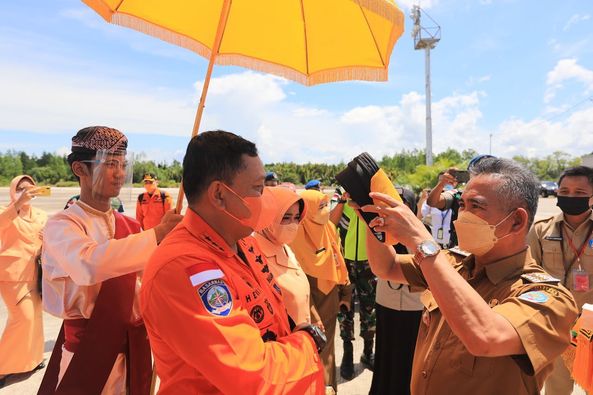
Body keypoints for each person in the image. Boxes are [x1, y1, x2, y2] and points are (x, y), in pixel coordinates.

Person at [362, 157, 578, 394]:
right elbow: (387, 267)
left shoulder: (549, 298)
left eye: (476, 206)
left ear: (517, 221)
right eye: (462, 205)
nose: (461, 216)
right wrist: (373, 220)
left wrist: (421, 241)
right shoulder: (454, 264)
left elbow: (486, 337)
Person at [140, 130, 325, 394]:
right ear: (219, 194)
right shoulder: (182, 267)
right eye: (258, 189)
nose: (265, 199)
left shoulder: (245, 242)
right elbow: (254, 375)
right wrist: (308, 342)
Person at [39, 126, 182, 395]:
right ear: (80, 169)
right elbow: (88, 265)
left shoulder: (129, 226)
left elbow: (147, 283)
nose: (120, 173)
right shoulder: (62, 225)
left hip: (134, 347)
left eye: (123, 164)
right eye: (109, 164)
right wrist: (158, 234)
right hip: (88, 349)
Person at [528, 165, 593, 395]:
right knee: (556, 389)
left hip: (592, 327)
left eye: (578, 192)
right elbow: (528, 274)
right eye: (564, 191)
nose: (570, 197)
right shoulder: (540, 230)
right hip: (556, 326)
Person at [290, 190, 351, 392]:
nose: (326, 210)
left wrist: (346, 292)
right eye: (321, 206)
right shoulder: (294, 236)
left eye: (327, 205)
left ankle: (329, 388)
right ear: (306, 211)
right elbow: (293, 278)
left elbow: (339, 261)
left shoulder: (330, 229)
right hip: (307, 301)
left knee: (327, 353)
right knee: (308, 353)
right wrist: (311, 310)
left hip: (330, 297)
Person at [370, 187, 423, 395]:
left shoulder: (421, 231)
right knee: (387, 354)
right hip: (387, 303)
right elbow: (379, 264)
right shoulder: (380, 231)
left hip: (414, 308)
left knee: (411, 359)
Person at [253, 186, 323, 328]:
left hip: (303, 341)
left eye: (297, 217)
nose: (293, 224)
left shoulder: (284, 247)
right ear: (267, 216)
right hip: (283, 344)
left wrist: (314, 318)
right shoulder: (254, 257)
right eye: (285, 217)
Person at [0, 175, 47, 387]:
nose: (26, 190)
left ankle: (32, 360)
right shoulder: (6, 211)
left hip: (36, 274)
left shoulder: (41, 215)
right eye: (20, 188)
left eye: (29, 187)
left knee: (35, 318)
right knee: (23, 318)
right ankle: (3, 366)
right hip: (13, 276)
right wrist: (17, 204)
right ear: (13, 190)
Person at [330, 192, 376, 380]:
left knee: (369, 309)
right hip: (345, 263)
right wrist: (343, 200)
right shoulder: (340, 198)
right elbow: (331, 222)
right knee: (344, 308)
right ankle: (347, 353)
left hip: (370, 262)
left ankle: (367, 351)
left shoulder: (373, 199)